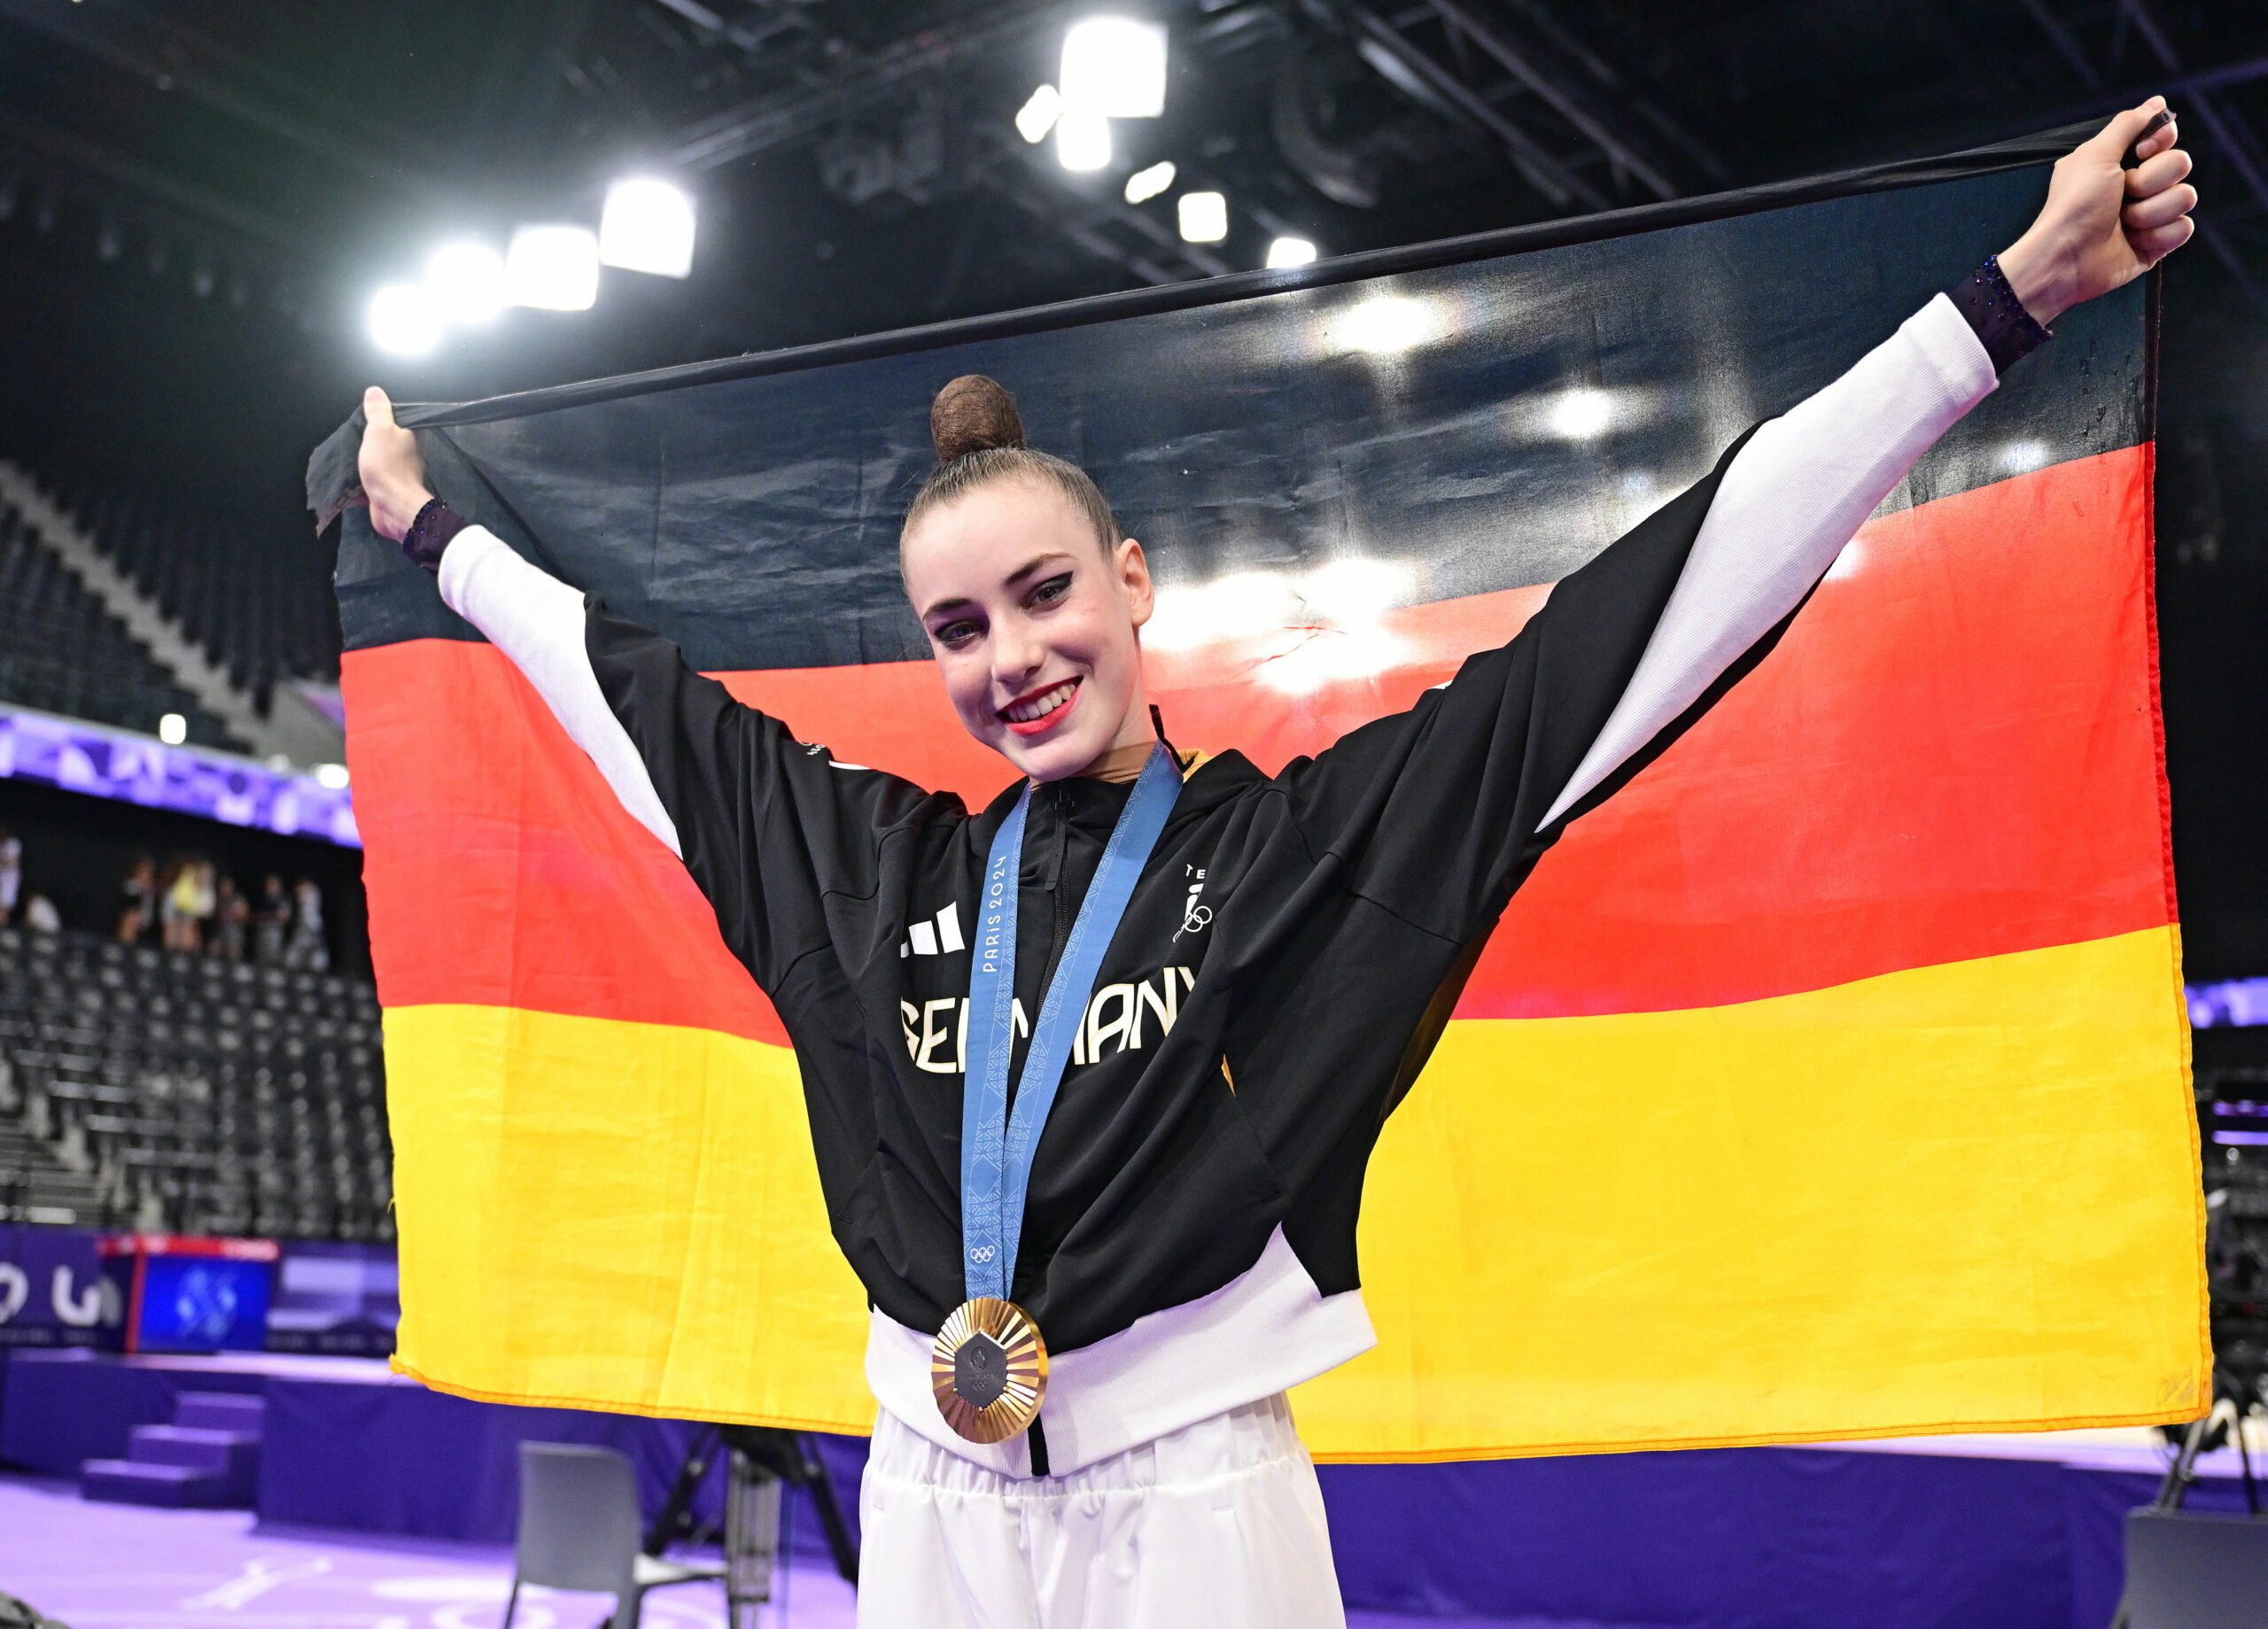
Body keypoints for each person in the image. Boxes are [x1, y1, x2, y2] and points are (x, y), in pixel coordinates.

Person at [355, 107, 2194, 1629]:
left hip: (1190, 1495)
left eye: (1045, 591)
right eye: (957, 625)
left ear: (1134, 580)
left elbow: (1647, 617)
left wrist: (2002, 304)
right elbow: (619, 693)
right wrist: (430, 527)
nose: (1010, 655)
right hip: (927, 1492)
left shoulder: (1301, 853)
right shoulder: (870, 867)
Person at [286, 877, 327, 972]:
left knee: (316, 953)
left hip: (312, 926)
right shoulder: (311, 892)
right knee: (296, 954)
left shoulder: (310, 891)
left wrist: (302, 888)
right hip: (305, 927)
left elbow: (300, 892)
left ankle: (317, 970)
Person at [118, 854, 156, 945]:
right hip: (132, 925)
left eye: (149, 872)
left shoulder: (152, 891)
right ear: (136, 872)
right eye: (144, 871)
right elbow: (129, 903)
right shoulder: (130, 887)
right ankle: (124, 946)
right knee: (131, 918)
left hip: (147, 928)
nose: (147, 875)